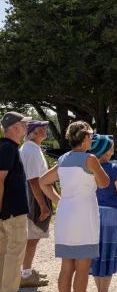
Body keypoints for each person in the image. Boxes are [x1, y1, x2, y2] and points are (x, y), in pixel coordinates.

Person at [40, 121, 110, 292]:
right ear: (85, 137)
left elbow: (43, 182)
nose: (92, 140)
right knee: (82, 268)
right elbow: (104, 183)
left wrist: (59, 200)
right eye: (91, 136)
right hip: (84, 217)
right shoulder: (90, 159)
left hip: (65, 215)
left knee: (66, 267)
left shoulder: (63, 159)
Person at [88, 135, 117, 292]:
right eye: (111, 147)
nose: (113, 149)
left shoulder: (88, 168)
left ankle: (99, 288)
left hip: (93, 213)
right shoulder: (113, 169)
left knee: (97, 253)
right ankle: (103, 290)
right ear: (105, 152)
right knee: (109, 252)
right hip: (113, 215)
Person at [19, 120, 52, 289]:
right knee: (33, 237)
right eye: (43, 127)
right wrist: (43, 206)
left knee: (32, 236)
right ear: (35, 131)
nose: (45, 129)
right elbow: (33, 181)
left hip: (33, 195)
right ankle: (25, 274)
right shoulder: (31, 150)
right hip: (34, 197)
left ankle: (26, 270)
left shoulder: (32, 148)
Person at [0, 111, 31, 292]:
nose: (27, 127)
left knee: (4, 256)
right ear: (15, 127)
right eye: (24, 124)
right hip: (12, 214)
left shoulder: (5, 147)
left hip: (7, 213)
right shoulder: (8, 148)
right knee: (14, 257)